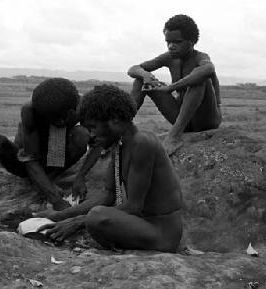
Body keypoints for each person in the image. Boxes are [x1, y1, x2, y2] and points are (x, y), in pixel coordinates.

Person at [35, 85, 183, 252]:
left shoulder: (142, 143)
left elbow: (134, 206)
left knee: (97, 216)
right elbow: (108, 196)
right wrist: (58, 216)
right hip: (142, 225)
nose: (91, 135)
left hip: (162, 232)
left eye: (93, 127)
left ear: (115, 120)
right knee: (96, 215)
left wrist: (77, 222)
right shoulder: (119, 145)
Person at [0, 77, 92, 222]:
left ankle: (50, 177)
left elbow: (99, 141)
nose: (59, 122)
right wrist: (56, 200)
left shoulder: (83, 106)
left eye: (61, 117)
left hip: (58, 162)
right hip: (26, 163)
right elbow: (30, 159)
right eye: (52, 118)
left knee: (82, 134)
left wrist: (80, 177)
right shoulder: (29, 110)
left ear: (72, 109)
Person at [127, 14, 222, 155]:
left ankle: (174, 136)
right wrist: (145, 75)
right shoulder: (169, 57)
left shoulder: (200, 57)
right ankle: (120, 128)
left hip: (206, 121)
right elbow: (133, 69)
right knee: (140, 81)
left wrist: (171, 88)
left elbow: (208, 69)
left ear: (192, 41)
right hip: (183, 119)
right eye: (168, 42)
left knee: (199, 79)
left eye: (177, 42)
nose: (171, 46)